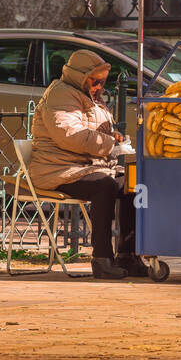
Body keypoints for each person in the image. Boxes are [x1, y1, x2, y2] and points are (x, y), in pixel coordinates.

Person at [31, 49, 144, 279]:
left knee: (134, 182)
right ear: (80, 76)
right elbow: (70, 134)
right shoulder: (60, 95)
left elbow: (92, 128)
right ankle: (102, 259)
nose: (100, 87)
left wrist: (113, 135)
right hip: (58, 168)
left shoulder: (88, 95)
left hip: (86, 165)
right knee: (105, 185)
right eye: (96, 81)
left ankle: (128, 254)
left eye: (103, 82)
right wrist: (109, 144)